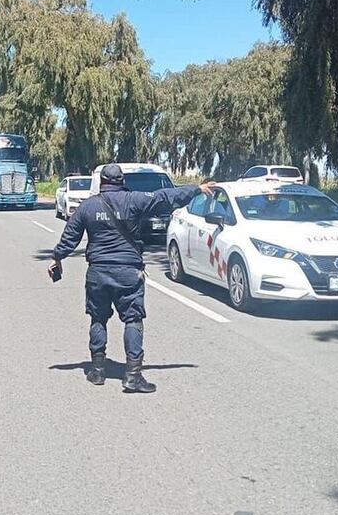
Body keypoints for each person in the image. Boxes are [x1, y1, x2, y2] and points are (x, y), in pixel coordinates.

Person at [48, 164, 214, 393]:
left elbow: (70, 237)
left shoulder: (88, 206)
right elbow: (166, 197)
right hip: (128, 272)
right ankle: (133, 375)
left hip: (98, 272)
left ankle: (97, 371)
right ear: (121, 181)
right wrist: (197, 189)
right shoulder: (135, 200)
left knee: (98, 318)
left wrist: (57, 258)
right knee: (132, 320)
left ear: (102, 182)